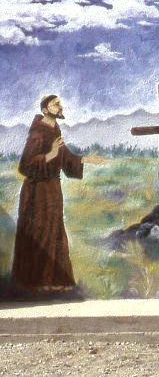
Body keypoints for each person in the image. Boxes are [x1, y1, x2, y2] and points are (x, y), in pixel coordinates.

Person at [11, 95, 105, 294]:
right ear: (45, 110)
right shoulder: (37, 132)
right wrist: (50, 155)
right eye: (56, 104)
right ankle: (36, 282)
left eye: (60, 103)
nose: (61, 106)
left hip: (52, 191)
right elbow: (25, 166)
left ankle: (55, 279)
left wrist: (84, 160)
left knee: (55, 234)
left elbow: (64, 156)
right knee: (40, 234)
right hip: (37, 194)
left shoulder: (55, 129)